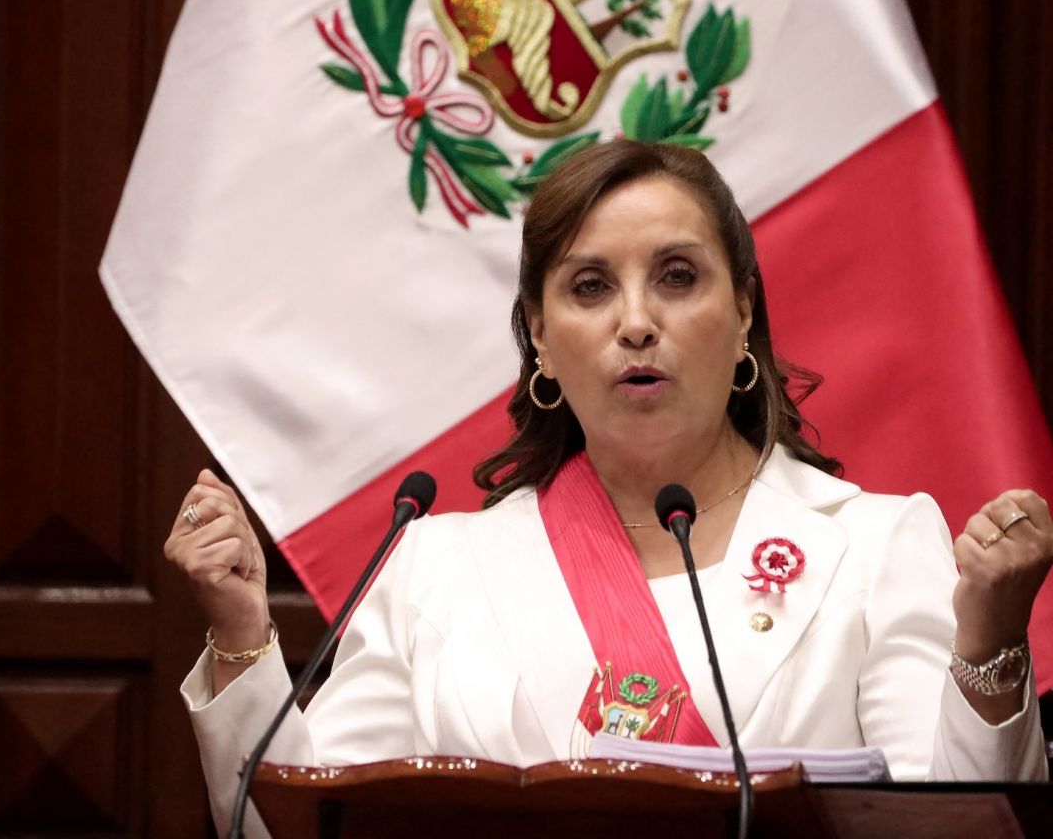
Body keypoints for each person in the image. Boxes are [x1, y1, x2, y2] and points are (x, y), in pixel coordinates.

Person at [166, 140, 1053, 836]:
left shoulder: (876, 545)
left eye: (678, 276)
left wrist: (992, 640)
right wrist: (243, 633)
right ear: (541, 340)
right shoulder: (434, 567)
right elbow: (298, 826)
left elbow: (955, 824)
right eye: (590, 287)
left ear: (743, 311)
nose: (636, 323)